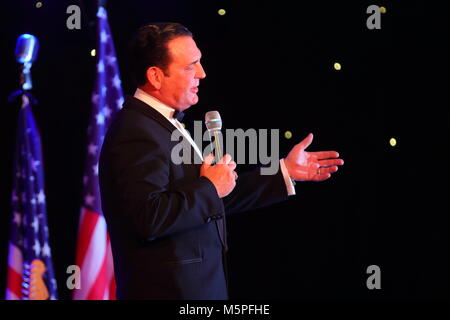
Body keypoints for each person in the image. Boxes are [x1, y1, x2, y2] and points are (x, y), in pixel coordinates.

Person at [99, 22, 344, 300]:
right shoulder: (136, 132)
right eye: (191, 66)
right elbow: (148, 218)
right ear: (155, 76)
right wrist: (209, 187)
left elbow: (206, 202)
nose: (202, 74)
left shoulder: (159, 125)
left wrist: (284, 172)